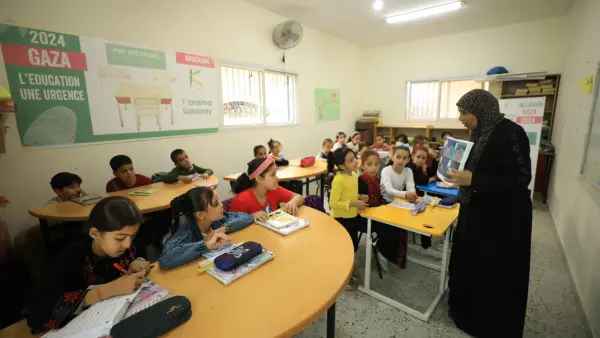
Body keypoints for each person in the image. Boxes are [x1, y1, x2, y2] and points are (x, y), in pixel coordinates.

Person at [447, 89, 532, 337]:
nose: (460, 118)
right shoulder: (478, 133)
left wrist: (474, 179)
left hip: (502, 219)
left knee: (491, 272)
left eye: (464, 112)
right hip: (475, 211)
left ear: (481, 111)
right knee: (469, 264)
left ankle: (487, 324)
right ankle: (465, 313)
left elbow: (520, 179)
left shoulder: (511, 134)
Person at [27, 197, 150, 333]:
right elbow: (37, 315)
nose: (127, 244)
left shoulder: (124, 247)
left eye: (132, 236)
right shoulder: (68, 257)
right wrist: (105, 291)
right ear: (94, 233)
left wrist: (137, 261)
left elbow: (139, 251)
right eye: (120, 238)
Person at [158, 187, 253, 269]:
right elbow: (165, 259)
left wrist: (224, 228)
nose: (221, 204)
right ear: (201, 215)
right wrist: (205, 245)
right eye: (215, 203)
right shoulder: (186, 232)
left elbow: (246, 217)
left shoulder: (216, 221)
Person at [229, 157, 304, 221]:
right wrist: (251, 217)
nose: (277, 178)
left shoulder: (275, 190)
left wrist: (293, 202)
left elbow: (299, 197)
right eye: (273, 175)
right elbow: (229, 224)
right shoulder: (241, 200)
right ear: (259, 179)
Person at [328, 147, 368, 252]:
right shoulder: (339, 180)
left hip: (352, 216)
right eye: (350, 161)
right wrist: (352, 203)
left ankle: (351, 261)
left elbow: (350, 193)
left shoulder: (354, 174)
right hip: (341, 219)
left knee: (352, 244)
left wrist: (359, 197)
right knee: (343, 246)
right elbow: (333, 203)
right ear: (341, 166)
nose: (355, 161)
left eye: (354, 157)